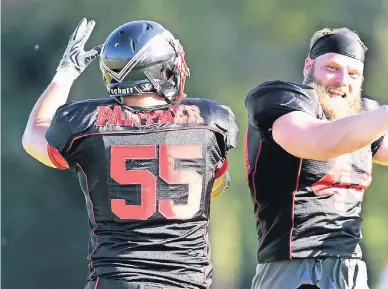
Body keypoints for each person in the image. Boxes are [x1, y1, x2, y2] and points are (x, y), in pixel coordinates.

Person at [244, 27, 388, 289]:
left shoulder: (364, 119)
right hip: (293, 268)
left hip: (350, 269)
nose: (342, 80)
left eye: (353, 74)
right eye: (332, 68)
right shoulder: (280, 101)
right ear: (309, 66)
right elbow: (319, 140)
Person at [22, 18, 238, 289]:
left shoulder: (86, 125)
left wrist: (66, 73)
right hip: (185, 282)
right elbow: (215, 185)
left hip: (115, 281)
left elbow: (32, 136)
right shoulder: (210, 121)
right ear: (163, 70)